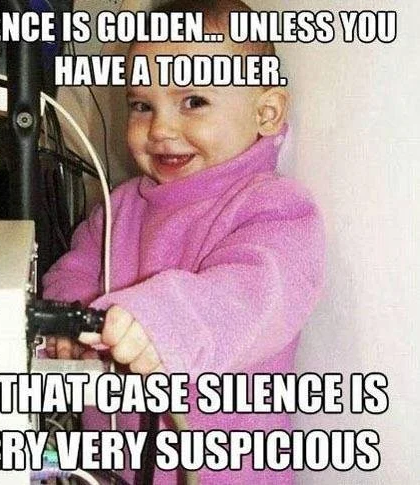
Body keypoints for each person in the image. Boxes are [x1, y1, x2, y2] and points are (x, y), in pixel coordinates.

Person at [43, 0, 325, 482]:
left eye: (193, 101)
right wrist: (71, 323)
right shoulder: (120, 205)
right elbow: (72, 271)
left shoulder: (273, 207)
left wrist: (162, 320)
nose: (160, 129)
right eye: (141, 106)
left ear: (266, 112)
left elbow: (257, 294)